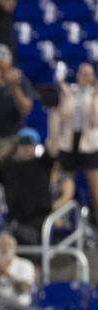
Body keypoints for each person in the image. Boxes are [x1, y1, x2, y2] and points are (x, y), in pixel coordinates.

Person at [0, 128, 72, 244]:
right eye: (23, 144)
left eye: (30, 144)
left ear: (35, 146)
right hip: (15, 220)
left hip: (41, 218)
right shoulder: (7, 165)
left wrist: (54, 128)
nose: (26, 147)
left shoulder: (42, 162)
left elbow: (53, 148)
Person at [48, 63, 98, 216]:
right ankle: (60, 220)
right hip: (69, 143)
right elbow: (61, 115)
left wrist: (94, 98)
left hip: (89, 145)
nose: (84, 76)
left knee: (95, 191)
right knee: (63, 187)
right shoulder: (69, 93)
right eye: (82, 72)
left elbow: (95, 120)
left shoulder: (96, 95)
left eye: (88, 73)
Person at [0, 229, 37, 306]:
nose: (5, 248)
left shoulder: (25, 265)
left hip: (21, 307)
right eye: (1, 245)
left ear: (15, 247)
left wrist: (7, 274)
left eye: (8, 245)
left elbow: (25, 289)